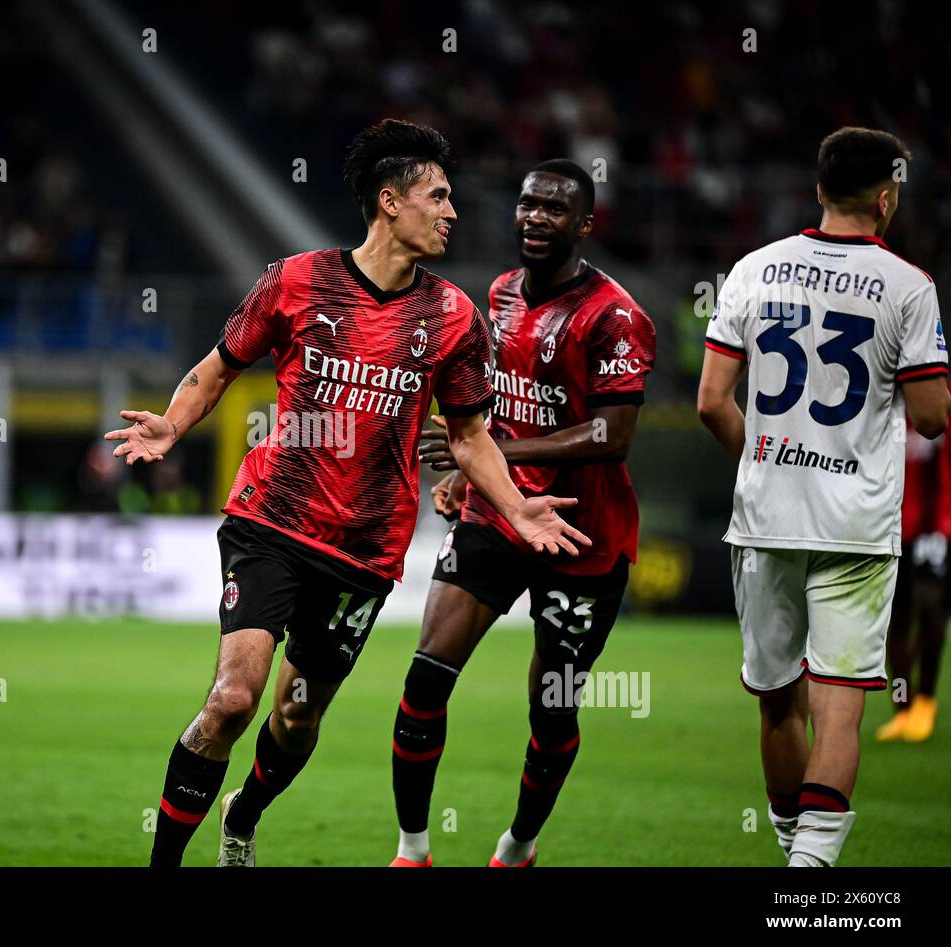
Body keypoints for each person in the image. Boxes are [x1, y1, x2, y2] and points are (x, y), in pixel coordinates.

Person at [106, 119, 590, 867]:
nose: (453, 212)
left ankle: (245, 814)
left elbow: (468, 437)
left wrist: (517, 502)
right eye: (438, 196)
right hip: (271, 519)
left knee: (297, 719)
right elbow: (221, 364)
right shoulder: (297, 280)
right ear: (390, 202)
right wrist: (172, 424)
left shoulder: (454, 318)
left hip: (364, 549)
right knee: (234, 699)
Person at [389, 160, 656, 867]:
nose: (536, 218)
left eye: (555, 209)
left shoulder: (616, 317)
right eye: (528, 205)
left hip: (582, 535)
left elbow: (613, 434)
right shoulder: (501, 293)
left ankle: (518, 846)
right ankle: (413, 851)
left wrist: (492, 451)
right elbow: (495, 408)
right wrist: (476, 472)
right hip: (498, 515)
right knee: (425, 676)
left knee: (553, 706)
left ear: (585, 223)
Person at [698, 127, 951, 866]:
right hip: (856, 524)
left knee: (779, 702)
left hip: (765, 519)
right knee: (841, 706)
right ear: (887, 198)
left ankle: (791, 860)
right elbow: (932, 418)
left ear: (818, 191)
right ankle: (811, 874)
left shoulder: (754, 269)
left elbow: (713, 400)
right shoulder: (909, 286)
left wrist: (769, 462)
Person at [876, 423, 951, 742]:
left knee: (930, 609)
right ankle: (902, 705)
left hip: (934, 527)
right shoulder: (887, 405)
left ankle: (924, 697)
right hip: (891, 527)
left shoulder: (938, 407)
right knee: (895, 620)